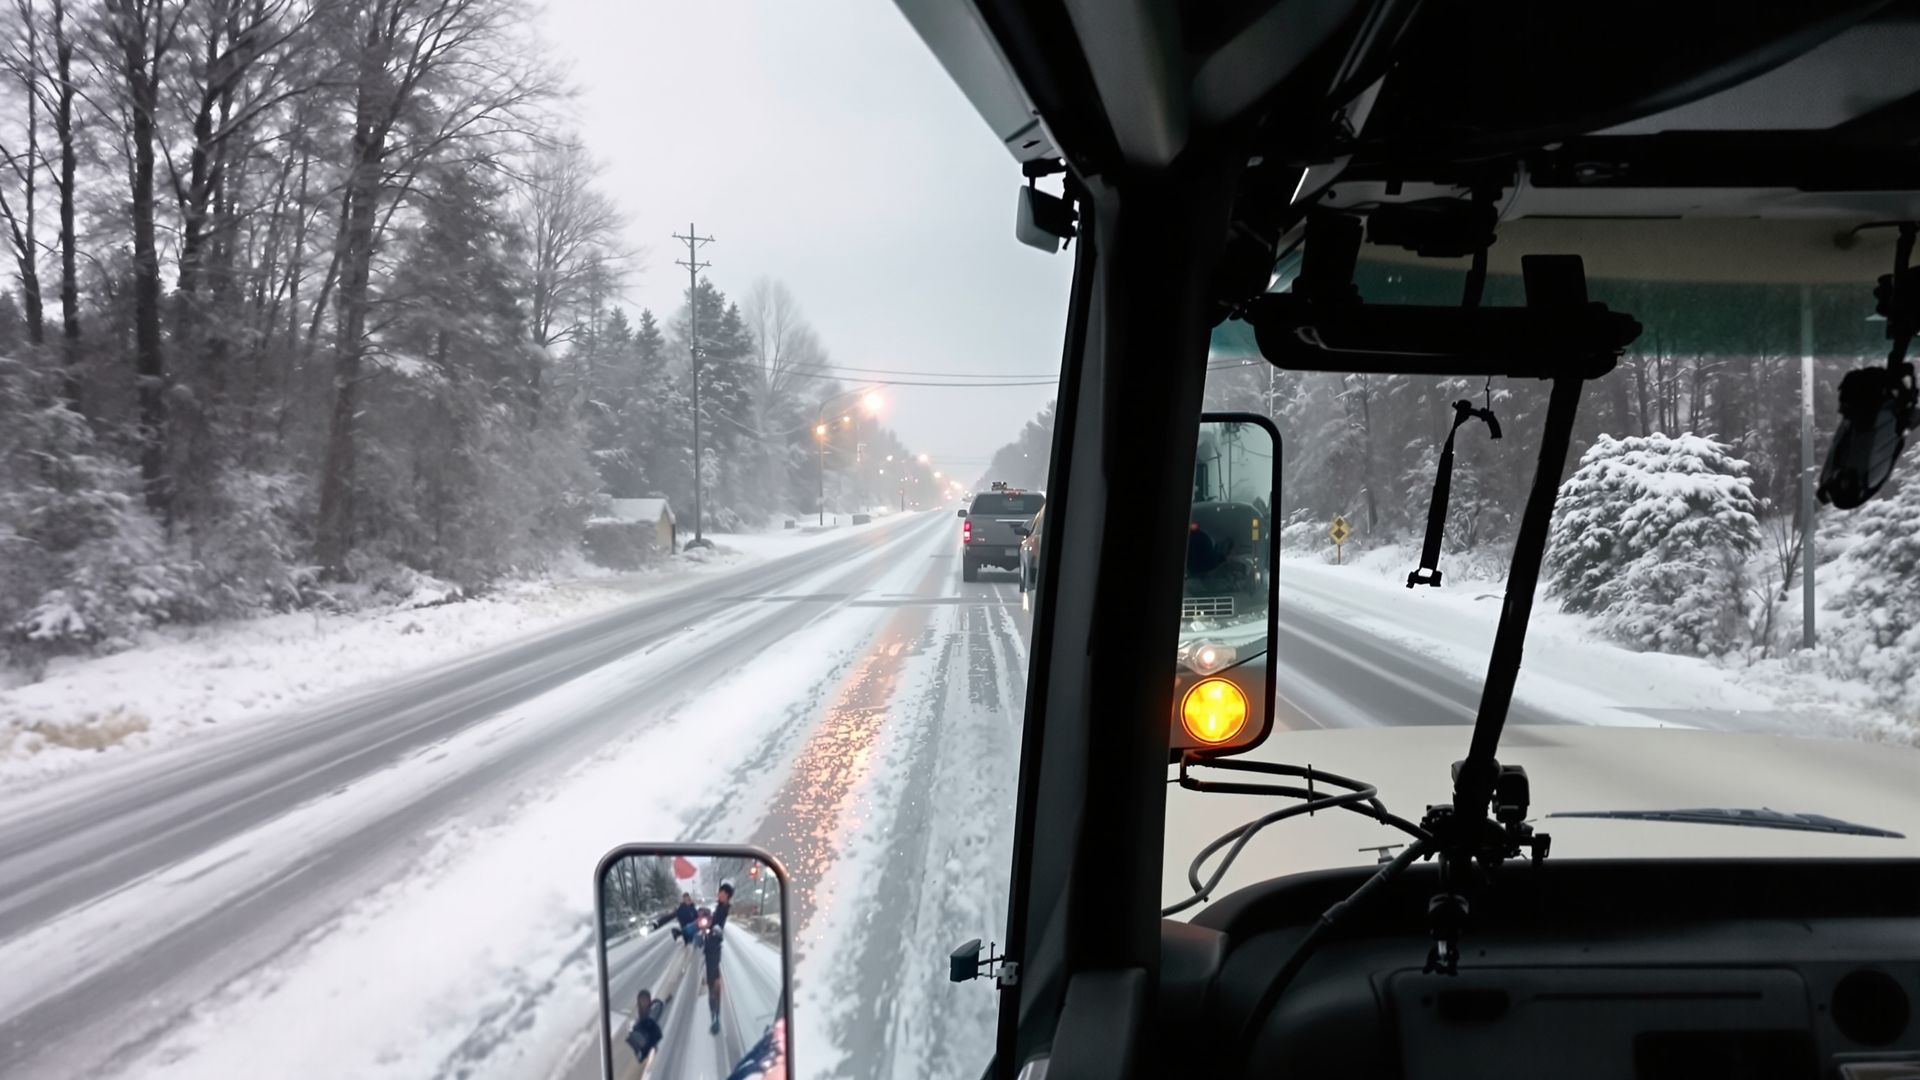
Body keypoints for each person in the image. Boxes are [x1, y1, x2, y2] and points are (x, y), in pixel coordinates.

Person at [705, 882, 734, 1033]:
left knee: (713, 981)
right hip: (712, 946)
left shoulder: (724, 908)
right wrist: (708, 925)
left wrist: (712, 929)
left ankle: (715, 1016)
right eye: (719, 892)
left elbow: (718, 927)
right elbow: (714, 924)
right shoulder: (719, 907)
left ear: (726, 895)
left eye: (721, 892)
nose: (718, 894)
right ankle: (715, 1012)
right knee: (713, 979)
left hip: (714, 947)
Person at [625, 989, 666, 1067]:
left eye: (645, 999)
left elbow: (651, 1022)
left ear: (649, 999)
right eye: (642, 1000)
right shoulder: (639, 1016)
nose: (644, 1002)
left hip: (652, 1042)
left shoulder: (654, 1008)